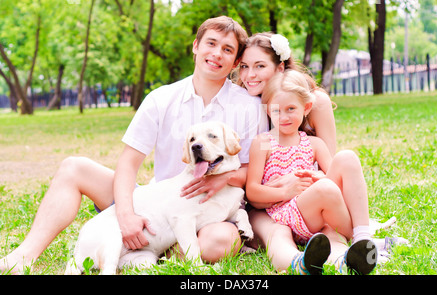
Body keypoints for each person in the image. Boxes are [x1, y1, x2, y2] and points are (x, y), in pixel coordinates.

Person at [0, 16, 269, 274]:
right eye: (211, 43)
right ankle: (23, 256)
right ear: (196, 46)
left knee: (220, 243)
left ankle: (161, 250)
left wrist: (221, 179)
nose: (217, 53)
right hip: (153, 203)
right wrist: (126, 215)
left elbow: (251, 171)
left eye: (227, 49)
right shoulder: (161, 98)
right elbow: (128, 165)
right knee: (73, 167)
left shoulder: (248, 107)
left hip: (212, 209)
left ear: (235, 61)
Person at [246, 69, 377, 275]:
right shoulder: (264, 143)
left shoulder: (314, 144)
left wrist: (319, 177)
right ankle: (298, 262)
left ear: (306, 108)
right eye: (277, 111)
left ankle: (356, 245)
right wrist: (285, 192)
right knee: (279, 238)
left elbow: (333, 179)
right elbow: (252, 191)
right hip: (283, 215)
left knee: (347, 158)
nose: (284, 117)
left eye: (291, 109)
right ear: (268, 111)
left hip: (317, 213)